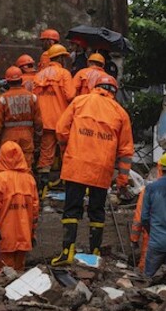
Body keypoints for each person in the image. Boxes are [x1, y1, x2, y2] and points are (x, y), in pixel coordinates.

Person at [53, 75, 134, 264]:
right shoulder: (120, 112)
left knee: (72, 208)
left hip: (76, 165)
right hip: (101, 169)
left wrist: (68, 148)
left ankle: (67, 252)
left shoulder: (80, 101)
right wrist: (122, 180)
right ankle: (94, 254)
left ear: (95, 87)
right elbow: (126, 150)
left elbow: (61, 130)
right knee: (97, 211)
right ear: (114, 91)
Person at [34, 44, 76, 190]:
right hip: (61, 121)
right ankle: (67, 183)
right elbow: (70, 96)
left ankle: (43, 188)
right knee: (66, 151)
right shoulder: (64, 74)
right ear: (61, 58)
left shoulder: (39, 75)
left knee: (46, 154)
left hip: (43, 121)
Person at [0, 141, 39, 273]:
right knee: (19, 273)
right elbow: (35, 210)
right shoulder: (29, 180)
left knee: (3, 274)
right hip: (24, 234)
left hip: (4, 237)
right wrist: (32, 232)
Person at [0, 67, 39, 170]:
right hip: (27, 136)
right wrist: (38, 139)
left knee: (7, 166)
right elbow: (38, 122)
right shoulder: (32, 97)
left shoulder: (2, 99)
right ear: (21, 80)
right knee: (26, 165)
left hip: (8, 136)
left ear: (7, 82)